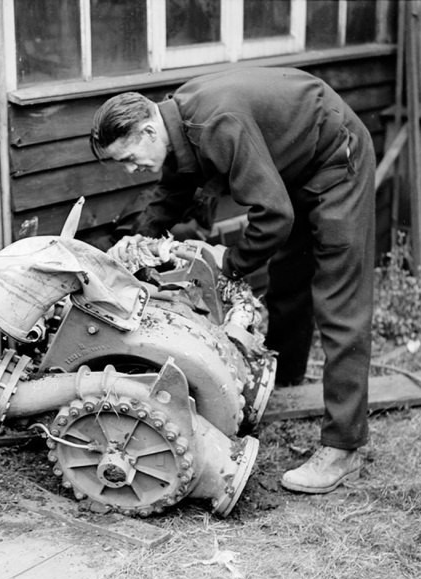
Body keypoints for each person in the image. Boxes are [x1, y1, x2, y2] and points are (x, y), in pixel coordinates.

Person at [89, 66, 376, 494]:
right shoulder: (177, 123)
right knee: (288, 279)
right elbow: (173, 193)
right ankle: (286, 385)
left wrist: (233, 264)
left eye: (129, 159)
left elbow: (274, 216)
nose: (131, 170)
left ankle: (343, 447)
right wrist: (135, 243)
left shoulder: (215, 124)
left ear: (149, 130)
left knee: (339, 303)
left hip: (336, 158)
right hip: (293, 166)